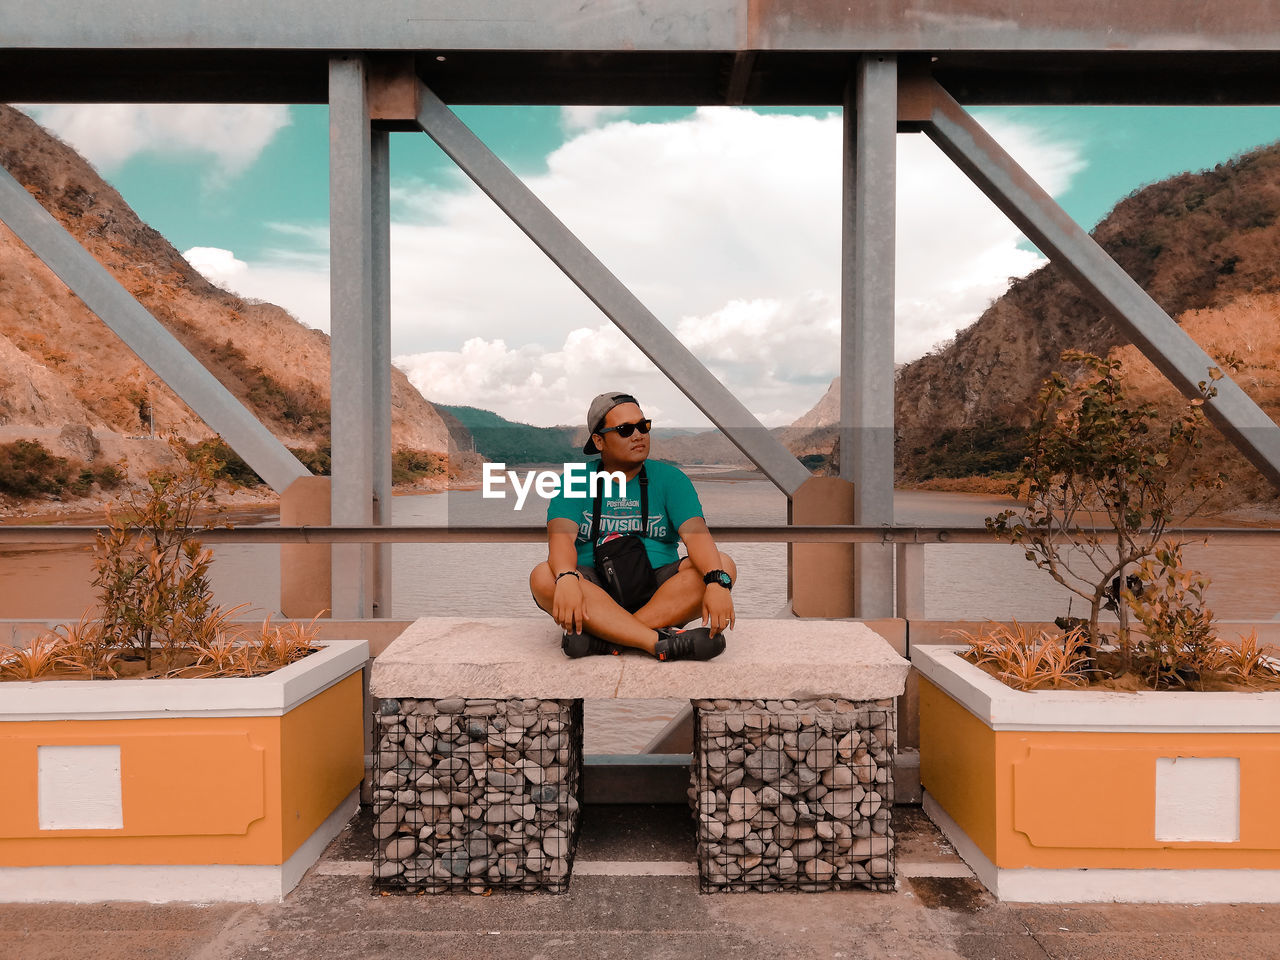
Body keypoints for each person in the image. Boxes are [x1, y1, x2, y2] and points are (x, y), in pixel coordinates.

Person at [529, 391, 736, 661]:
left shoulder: (670, 479)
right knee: (544, 576)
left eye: (643, 426)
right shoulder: (576, 480)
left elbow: (697, 537)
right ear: (599, 440)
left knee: (723, 565)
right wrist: (567, 577)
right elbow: (560, 541)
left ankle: (606, 637)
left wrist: (716, 582)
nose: (638, 435)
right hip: (595, 588)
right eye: (625, 429)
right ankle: (655, 641)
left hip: (659, 590)